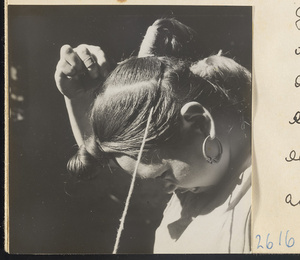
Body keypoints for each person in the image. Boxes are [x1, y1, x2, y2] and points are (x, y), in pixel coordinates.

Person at [54, 18, 251, 253]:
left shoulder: (271, 197)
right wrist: (80, 100)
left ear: (199, 123)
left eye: (163, 175)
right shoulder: (192, 185)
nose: (167, 190)